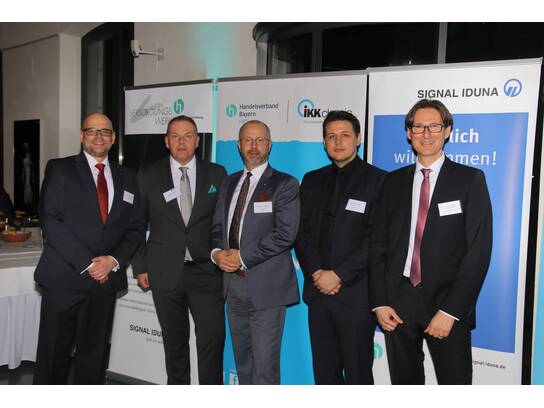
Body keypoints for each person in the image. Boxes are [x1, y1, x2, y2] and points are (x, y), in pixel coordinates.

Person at [369, 99, 492, 384]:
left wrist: (451, 311)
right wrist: (380, 302)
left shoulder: (469, 180)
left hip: (447, 304)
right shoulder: (392, 182)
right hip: (398, 303)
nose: (426, 133)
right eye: (418, 126)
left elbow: (479, 250)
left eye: (434, 126)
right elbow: (377, 245)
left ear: (447, 131)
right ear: (408, 132)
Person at [33, 113, 145, 384]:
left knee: (93, 359)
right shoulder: (60, 169)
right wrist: (89, 264)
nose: (98, 137)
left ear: (113, 138)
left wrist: (112, 261)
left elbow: (135, 228)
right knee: (53, 359)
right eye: (92, 131)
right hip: (64, 280)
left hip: (104, 284)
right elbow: (50, 220)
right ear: (82, 135)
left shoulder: (129, 177)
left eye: (105, 132)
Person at [132, 115, 227, 384]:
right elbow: (136, 223)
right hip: (164, 271)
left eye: (188, 136)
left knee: (212, 340)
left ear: (197, 141)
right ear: (166, 141)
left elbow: (222, 222)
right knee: (174, 345)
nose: (181, 141)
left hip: (206, 271)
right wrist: (140, 266)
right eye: (175, 136)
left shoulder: (216, 173)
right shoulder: (149, 174)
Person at [294, 110, 386, 384]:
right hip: (318, 294)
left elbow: (377, 239)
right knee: (324, 374)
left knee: (358, 376)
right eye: (331, 136)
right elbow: (301, 233)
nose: (338, 141)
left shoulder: (379, 181)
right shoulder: (311, 180)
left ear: (358, 139)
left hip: (356, 296)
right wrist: (317, 273)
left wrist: (339, 275)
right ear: (324, 142)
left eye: (345, 135)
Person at [210, 120, 300, 384]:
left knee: (264, 369)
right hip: (233, 287)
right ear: (239, 145)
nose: (253, 146)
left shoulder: (284, 184)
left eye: (260, 140)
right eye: (248, 140)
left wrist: (241, 257)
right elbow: (217, 226)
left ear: (269, 145)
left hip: (266, 288)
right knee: (243, 363)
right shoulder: (229, 182)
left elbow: (285, 234)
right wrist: (216, 253)